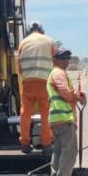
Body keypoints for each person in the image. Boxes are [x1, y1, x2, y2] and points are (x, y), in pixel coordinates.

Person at [47, 44, 86, 176]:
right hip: (63, 118)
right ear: (55, 60)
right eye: (64, 58)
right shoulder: (58, 73)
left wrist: (76, 95)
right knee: (69, 151)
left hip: (56, 119)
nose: (67, 61)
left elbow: (65, 92)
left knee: (58, 152)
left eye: (68, 58)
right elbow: (65, 93)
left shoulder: (57, 73)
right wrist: (77, 98)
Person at [17, 21, 54, 152]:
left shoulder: (23, 43)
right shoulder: (49, 41)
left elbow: (19, 68)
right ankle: (47, 144)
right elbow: (55, 63)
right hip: (45, 82)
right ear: (41, 30)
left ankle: (25, 143)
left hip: (28, 82)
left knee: (25, 113)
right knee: (46, 113)